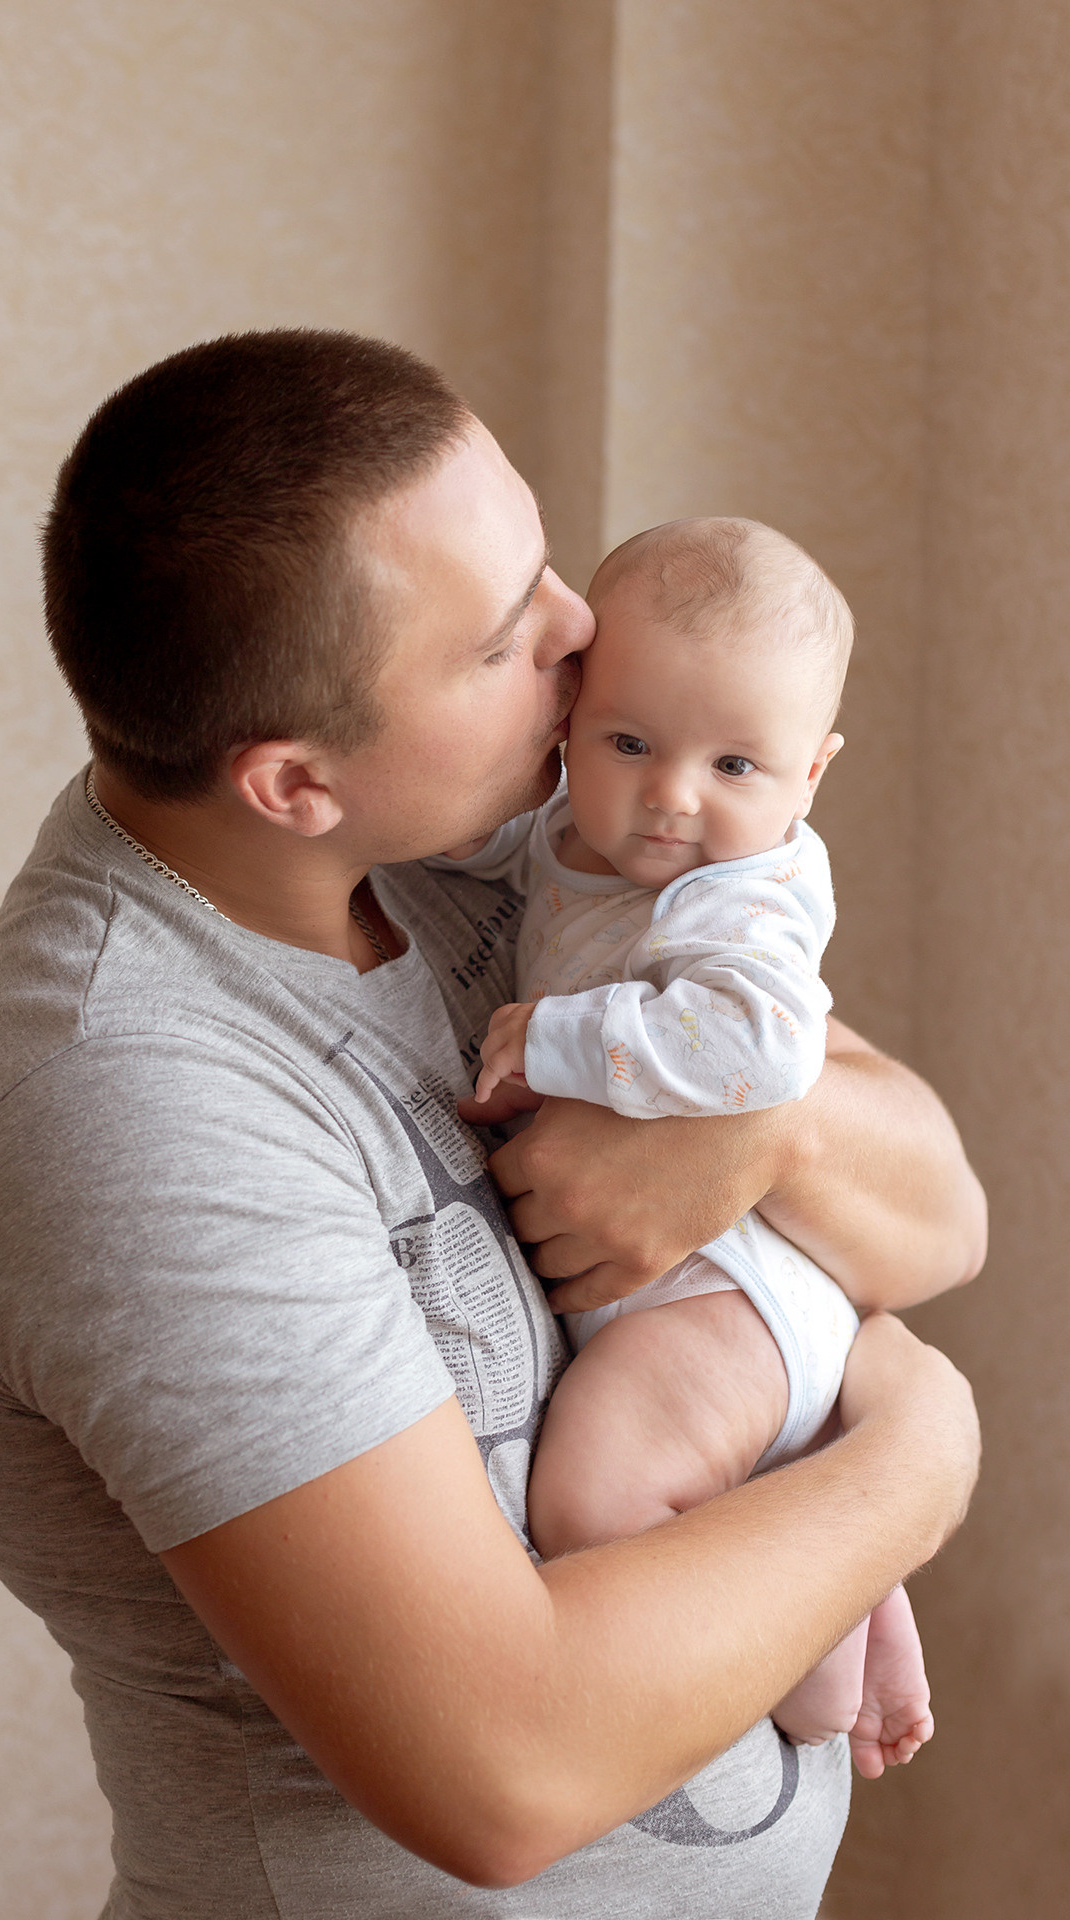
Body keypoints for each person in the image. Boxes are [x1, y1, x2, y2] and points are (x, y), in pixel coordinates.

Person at [0, 330, 983, 1920]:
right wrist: (923, 1446)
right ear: (291, 782)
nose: (577, 631)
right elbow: (503, 1775)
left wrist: (765, 1140)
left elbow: (941, 1211)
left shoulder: (475, 861)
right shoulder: (122, 1101)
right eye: (497, 642)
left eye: (545, 563)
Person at [462, 517, 930, 1780]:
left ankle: (815, 1652)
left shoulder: (746, 891)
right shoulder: (574, 838)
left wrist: (554, 1041)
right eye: (629, 743)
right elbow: (496, 854)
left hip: (727, 1289)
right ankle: (855, 1582)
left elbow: (765, 1050)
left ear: (811, 774)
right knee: (706, 1488)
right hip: (694, 1298)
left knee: (591, 1500)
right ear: (567, 724)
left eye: (735, 762)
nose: (673, 796)